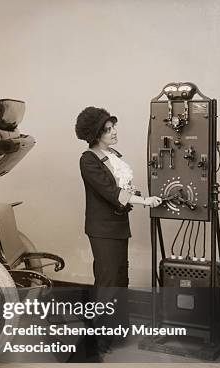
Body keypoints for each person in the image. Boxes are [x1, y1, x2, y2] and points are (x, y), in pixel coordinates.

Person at [75, 106, 161, 354]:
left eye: (113, 127)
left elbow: (124, 190)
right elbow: (110, 192)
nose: (114, 132)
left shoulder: (113, 155)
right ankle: (96, 337)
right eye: (107, 130)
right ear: (95, 134)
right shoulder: (88, 160)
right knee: (108, 281)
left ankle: (115, 332)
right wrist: (143, 201)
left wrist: (142, 196)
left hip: (117, 226)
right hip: (102, 230)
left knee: (120, 278)